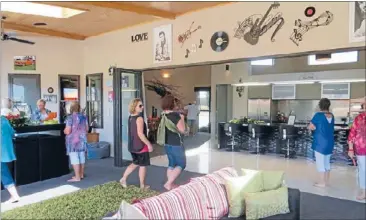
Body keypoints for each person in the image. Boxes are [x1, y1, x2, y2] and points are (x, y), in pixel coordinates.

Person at [120, 99, 153, 189]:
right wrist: (149, 144)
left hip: (132, 146)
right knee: (142, 165)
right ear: (134, 107)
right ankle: (142, 185)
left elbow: (128, 132)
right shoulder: (139, 118)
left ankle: (123, 178)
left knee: (135, 163)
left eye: (142, 105)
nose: (142, 107)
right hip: (141, 146)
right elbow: (140, 134)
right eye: (140, 106)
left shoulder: (130, 118)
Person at [158, 95, 186, 190]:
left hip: (167, 142)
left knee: (171, 164)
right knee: (181, 164)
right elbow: (182, 130)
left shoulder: (163, 115)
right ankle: (169, 183)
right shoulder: (175, 116)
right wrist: (182, 118)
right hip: (176, 143)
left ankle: (170, 184)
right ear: (172, 104)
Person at [308, 98, 335, 188]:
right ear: (328, 106)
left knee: (320, 163)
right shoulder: (331, 115)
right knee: (327, 163)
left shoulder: (318, 115)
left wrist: (312, 127)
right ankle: (326, 182)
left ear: (320, 105)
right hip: (330, 142)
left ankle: (322, 183)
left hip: (320, 142)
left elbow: (311, 127)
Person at [64, 101, 88, 182]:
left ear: (71, 108)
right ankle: (81, 174)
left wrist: (64, 130)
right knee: (81, 157)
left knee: (74, 158)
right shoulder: (84, 117)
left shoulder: (70, 118)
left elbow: (68, 131)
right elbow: (87, 129)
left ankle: (77, 177)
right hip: (82, 140)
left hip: (73, 141)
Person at [348, 97, 366, 200]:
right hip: (361, 149)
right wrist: (350, 149)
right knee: (363, 170)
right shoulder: (358, 118)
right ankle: (364, 192)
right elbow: (352, 135)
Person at [1, 115, 20, 203]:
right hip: (3, 151)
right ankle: (15, 195)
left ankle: (15, 196)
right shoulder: (4, 120)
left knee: (4, 173)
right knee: (4, 172)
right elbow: (12, 132)